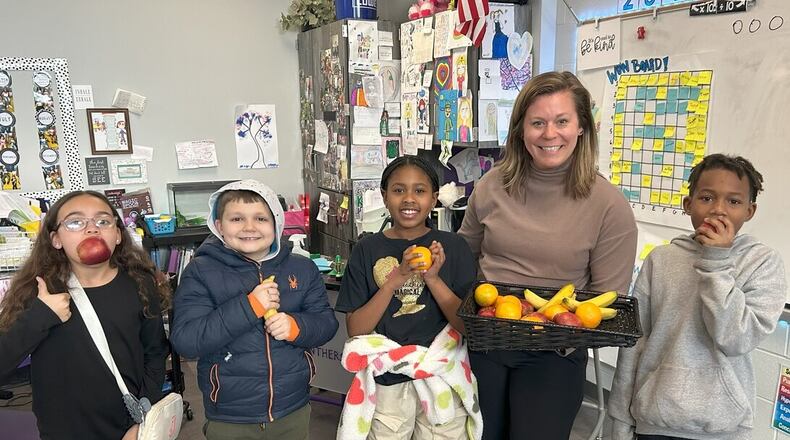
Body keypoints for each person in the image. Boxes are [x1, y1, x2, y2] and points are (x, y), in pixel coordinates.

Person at [458, 71, 638, 439]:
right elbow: (464, 257)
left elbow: (608, 300)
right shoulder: (491, 186)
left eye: (562, 121)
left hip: (555, 353)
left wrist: (556, 334)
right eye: (537, 122)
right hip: (484, 342)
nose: (549, 134)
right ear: (521, 129)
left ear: (582, 127)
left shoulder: (609, 206)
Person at [608, 154, 787, 440]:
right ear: (688, 204)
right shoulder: (661, 260)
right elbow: (634, 344)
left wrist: (716, 262)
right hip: (654, 422)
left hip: (721, 428)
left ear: (750, 211)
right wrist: (618, 419)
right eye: (706, 198)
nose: (719, 210)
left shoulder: (763, 263)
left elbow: (735, 338)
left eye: (734, 201)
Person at [170, 179, 338, 440]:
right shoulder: (201, 272)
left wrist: (297, 327)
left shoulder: (302, 269)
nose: (249, 227)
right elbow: (187, 341)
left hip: (292, 406)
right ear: (219, 226)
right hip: (230, 414)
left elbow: (326, 324)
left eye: (261, 219)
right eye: (236, 219)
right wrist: (249, 307)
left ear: (276, 224)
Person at [0, 190, 170, 440]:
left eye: (103, 221)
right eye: (76, 222)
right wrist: (41, 315)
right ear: (56, 239)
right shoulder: (39, 291)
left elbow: (155, 353)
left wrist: (144, 411)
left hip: (128, 425)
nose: (92, 229)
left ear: (119, 235)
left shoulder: (140, 284)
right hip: (63, 431)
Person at [336, 155, 482, 440]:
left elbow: (467, 327)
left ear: (434, 198)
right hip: (387, 383)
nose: (409, 199)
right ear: (384, 196)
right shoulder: (366, 250)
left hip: (442, 377)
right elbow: (356, 329)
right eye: (398, 189)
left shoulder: (453, 247)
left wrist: (433, 278)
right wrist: (396, 280)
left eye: (420, 190)